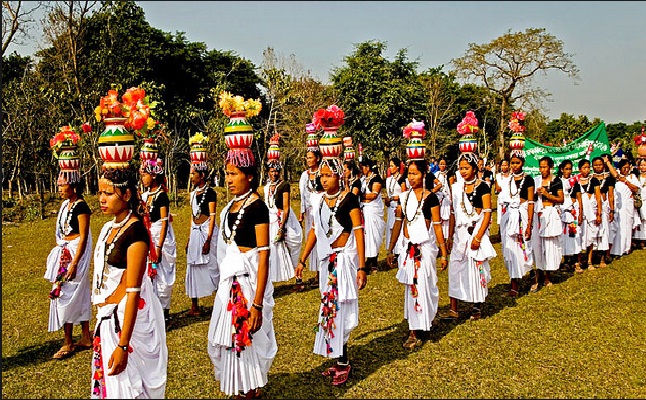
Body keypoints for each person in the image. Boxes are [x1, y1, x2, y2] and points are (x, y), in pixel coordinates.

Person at [207, 96, 276, 399]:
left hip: (247, 287)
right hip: (228, 286)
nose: (229, 179)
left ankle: (249, 391)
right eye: (227, 173)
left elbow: (264, 257)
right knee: (221, 342)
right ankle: (240, 390)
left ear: (250, 175)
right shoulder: (230, 207)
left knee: (246, 340)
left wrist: (258, 303)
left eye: (234, 174)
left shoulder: (258, 207)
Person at [92, 167, 167, 399]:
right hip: (107, 317)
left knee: (128, 388)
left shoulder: (135, 233)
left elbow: (133, 292)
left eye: (109, 193)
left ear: (126, 195)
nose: (102, 199)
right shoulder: (108, 228)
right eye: (100, 192)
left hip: (125, 323)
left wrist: (123, 346)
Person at [295, 148, 367, 386]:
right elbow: (315, 231)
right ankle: (338, 359)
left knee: (341, 311)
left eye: (329, 175)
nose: (324, 179)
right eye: (322, 176)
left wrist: (362, 267)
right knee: (329, 310)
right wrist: (303, 259)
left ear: (339, 176)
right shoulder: (319, 200)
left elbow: (358, 232)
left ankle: (344, 362)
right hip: (327, 262)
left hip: (344, 263)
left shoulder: (349, 199)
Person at [387, 157, 448, 347]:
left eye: (415, 173)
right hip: (409, 249)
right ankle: (414, 331)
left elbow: (437, 227)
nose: (412, 177)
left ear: (423, 175)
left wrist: (443, 252)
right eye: (410, 174)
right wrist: (390, 249)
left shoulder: (431, 198)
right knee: (412, 288)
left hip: (426, 249)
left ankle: (427, 319)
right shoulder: (404, 198)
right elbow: (399, 224)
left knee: (428, 287)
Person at [45, 153, 93, 360]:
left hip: (75, 255)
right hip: (66, 250)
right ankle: (83, 336)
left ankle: (69, 341)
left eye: (62, 185)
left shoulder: (81, 206)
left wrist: (74, 262)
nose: (59, 188)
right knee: (75, 293)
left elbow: (83, 238)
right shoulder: (66, 205)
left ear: (73, 184)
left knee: (68, 292)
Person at [140, 156, 177, 327]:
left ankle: (165, 313)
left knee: (162, 275)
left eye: (145, 174)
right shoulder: (146, 195)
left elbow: (163, 222)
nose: (143, 177)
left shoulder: (162, 196)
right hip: (148, 237)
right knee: (149, 276)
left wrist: (159, 246)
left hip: (159, 238)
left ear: (154, 175)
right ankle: (152, 311)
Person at [186, 135, 219, 316]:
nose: (191, 176)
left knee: (213, 265)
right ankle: (194, 305)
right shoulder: (192, 194)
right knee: (192, 266)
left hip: (207, 231)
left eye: (193, 173)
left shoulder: (211, 193)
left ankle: (219, 300)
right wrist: (190, 238)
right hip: (195, 232)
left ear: (202, 175)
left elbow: (212, 217)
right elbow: (192, 217)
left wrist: (208, 240)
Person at [263, 134, 303, 284]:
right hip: (270, 219)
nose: (274, 174)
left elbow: (286, 207)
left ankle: (297, 275)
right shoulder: (266, 187)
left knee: (292, 243)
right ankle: (271, 279)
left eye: (276, 171)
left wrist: (282, 227)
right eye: (271, 171)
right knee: (271, 249)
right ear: (268, 172)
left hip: (283, 219)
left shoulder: (284, 185)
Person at [499, 153, 535, 297]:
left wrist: (529, 225)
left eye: (517, 163)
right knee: (511, 251)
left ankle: (533, 276)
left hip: (523, 217)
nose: (514, 166)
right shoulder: (508, 180)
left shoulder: (529, 180)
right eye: (512, 163)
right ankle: (514, 285)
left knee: (525, 248)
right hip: (510, 219)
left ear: (523, 163)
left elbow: (531, 202)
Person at [530, 157, 564, 292]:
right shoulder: (536, 180)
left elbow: (561, 199)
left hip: (550, 213)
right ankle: (537, 275)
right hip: (537, 216)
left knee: (549, 246)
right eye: (541, 167)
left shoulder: (556, 181)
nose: (542, 169)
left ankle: (547, 276)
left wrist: (546, 194)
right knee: (537, 246)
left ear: (550, 167)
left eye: (545, 167)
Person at [298, 131, 324, 287]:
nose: (308, 160)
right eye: (306, 158)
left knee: (321, 239)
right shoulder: (304, 175)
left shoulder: (322, 173)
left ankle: (321, 272)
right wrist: (302, 212)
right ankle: (316, 271)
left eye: (310, 157)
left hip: (320, 210)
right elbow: (302, 195)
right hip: (309, 212)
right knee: (311, 240)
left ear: (317, 158)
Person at [607, 157, 639, 258]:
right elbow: (614, 174)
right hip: (617, 206)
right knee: (617, 227)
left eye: (627, 167)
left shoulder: (632, 177)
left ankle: (626, 248)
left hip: (628, 205)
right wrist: (607, 162)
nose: (625, 169)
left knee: (627, 226)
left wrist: (625, 181)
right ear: (619, 168)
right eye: (623, 167)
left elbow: (636, 189)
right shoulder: (616, 176)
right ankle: (615, 250)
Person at [575, 159, 603, 271]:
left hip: (591, 212)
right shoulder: (576, 181)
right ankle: (578, 261)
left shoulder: (594, 180)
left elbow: (598, 197)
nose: (586, 170)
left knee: (591, 236)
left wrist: (599, 213)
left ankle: (589, 260)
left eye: (588, 167)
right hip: (580, 212)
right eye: (584, 167)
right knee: (578, 236)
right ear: (579, 169)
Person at [359, 157, 385, 273]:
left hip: (373, 211)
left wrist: (360, 197)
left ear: (368, 167)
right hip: (365, 210)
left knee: (374, 235)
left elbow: (373, 195)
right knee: (367, 235)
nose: (361, 169)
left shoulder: (376, 179)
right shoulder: (363, 179)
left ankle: (373, 261)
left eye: (363, 167)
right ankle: (369, 259)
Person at [557, 160, 583, 272]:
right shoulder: (557, 181)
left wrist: (580, 212)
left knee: (574, 236)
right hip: (561, 213)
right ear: (562, 169)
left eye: (570, 169)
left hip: (572, 213)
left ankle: (576, 261)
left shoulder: (575, 182)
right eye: (566, 169)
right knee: (563, 238)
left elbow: (578, 197)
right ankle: (566, 261)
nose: (568, 171)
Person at [589, 156, 615, 269]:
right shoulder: (589, 178)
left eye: (600, 165)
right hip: (591, 207)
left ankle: (603, 258)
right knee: (592, 232)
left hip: (604, 207)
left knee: (604, 232)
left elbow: (611, 195)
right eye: (595, 165)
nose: (598, 167)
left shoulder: (608, 178)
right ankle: (590, 259)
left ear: (603, 165)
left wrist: (612, 210)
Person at [384, 157, 405, 267]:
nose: (390, 168)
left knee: (399, 230)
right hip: (390, 207)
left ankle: (399, 254)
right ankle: (392, 252)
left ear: (397, 167)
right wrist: (388, 200)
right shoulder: (388, 180)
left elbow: (404, 193)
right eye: (389, 166)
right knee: (391, 230)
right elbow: (389, 194)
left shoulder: (402, 179)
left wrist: (393, 199)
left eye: (392, 166)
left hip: (398, 207)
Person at [435, 157, 452, 241]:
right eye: (441, 164)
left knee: (447, 220)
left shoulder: (449, 174)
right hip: (439, 199)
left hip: (447, 199)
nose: (442, 166)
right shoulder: (436, 175)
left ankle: (447, 238)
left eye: (444, 164)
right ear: (438, 165)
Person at [632, 158, 646, 249]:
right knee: (639, 219)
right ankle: (638, 239)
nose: (643, 167)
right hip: (638, 200)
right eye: (641, 165)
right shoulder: (636, 176)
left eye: (644, 165)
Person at [494, 157, 511, 226]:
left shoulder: (512, 176)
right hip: (502, 200)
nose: (504, 167)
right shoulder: (498, 176)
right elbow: (498, 189)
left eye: (506, 165)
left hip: (510, 199)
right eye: (503, 165)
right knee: (501, 217)